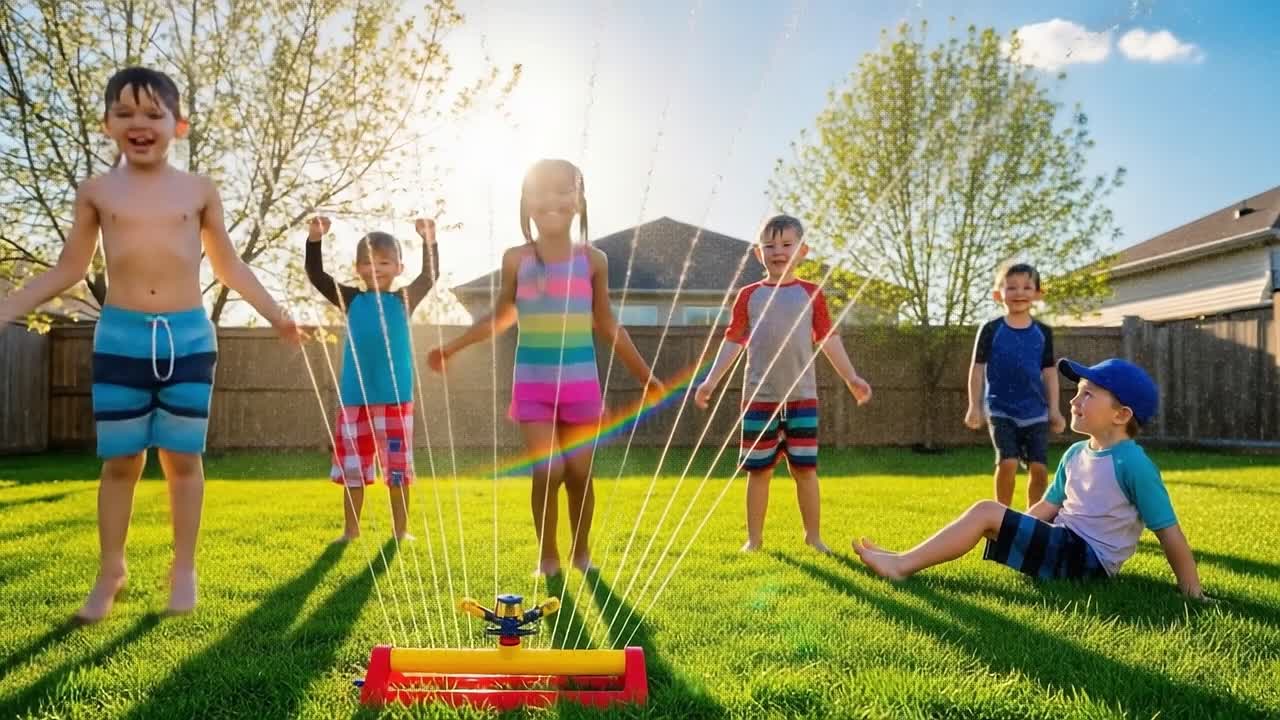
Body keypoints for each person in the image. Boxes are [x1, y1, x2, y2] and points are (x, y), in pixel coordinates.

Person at [0, 67, 300, 621]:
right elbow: (69, 267)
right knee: (121, 462)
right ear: (107, 123)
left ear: (177, 125)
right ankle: (110, 568)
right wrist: (9, 307)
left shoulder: (198, 190)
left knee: (183, 458)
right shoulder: (96, 192)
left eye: (153, 114)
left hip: (187, 336)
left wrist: (276, 313)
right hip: (120, 336)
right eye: (126, 113)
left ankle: (182, 568)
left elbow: (228, 265)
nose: (140, 124)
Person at [428, 159, 663, 576]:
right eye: (540, 191)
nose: (551, 200)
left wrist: (647, 378)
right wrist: (453, 347)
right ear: (526, 203)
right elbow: (503, 316)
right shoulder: (516, 259)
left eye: (563, 191)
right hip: (532, 388)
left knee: (579, 473)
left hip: (582, 388)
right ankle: (547, 557)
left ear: (579, 202)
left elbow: (606, 323)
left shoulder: (594, 261)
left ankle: (582, 552)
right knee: (549, 468)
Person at [855, 358, 1208, 601]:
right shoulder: (1076, 454)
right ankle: (905, 557)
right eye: (1076, 391)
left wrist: (1192, 592)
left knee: (986, 512)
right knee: (991, 518)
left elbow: (1168, 530)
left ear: (1121, 414)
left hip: (1089, 562)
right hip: (1064, 544)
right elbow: (1048, 506)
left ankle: (901, 566)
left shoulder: (1133, 464)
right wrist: (1014, 526)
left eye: (1088, 393)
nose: (1074, 400)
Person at [695, 214, 871, 554]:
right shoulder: (749, 295)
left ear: (802, 251)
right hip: (759, 399)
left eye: (787, 245)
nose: (778, 251)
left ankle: (814, 536)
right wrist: (711, 381)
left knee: (805, 471)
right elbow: (733, 339)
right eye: (770, 245)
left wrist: (851, 377)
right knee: (758, 472)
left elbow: (828, 338)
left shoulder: (811, 294)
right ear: (758, 254)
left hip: (802, 399)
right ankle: (755, 540)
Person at [305, 215, 439, 542]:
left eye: (383, 262)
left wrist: (428, 240)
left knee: (398, 471)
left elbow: (430, 274)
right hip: (355, 399)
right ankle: (351, 531)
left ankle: (401, 531)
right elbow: (317, 275)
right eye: (367, 262)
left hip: (395, 399)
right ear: (357, 268)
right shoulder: (352, 300)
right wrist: (315, 238)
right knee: (353, 471)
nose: (375, 268)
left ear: (398, 268)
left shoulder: (402, 300)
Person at [965, 262, 1066, 508]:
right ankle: (1003, 515)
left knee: (1039, 469)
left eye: (1027, 287)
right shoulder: (991, 329)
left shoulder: (1043, 332)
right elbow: (977, 368)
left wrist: (1054, 410)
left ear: (1038, 293)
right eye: (1011, 288)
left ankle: (1034, 519)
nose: (1019, 293)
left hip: (1036, 411)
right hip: (1001, 409)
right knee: (1007, 462)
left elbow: (1050, 372)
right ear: (998, 294)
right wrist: (974, 407)